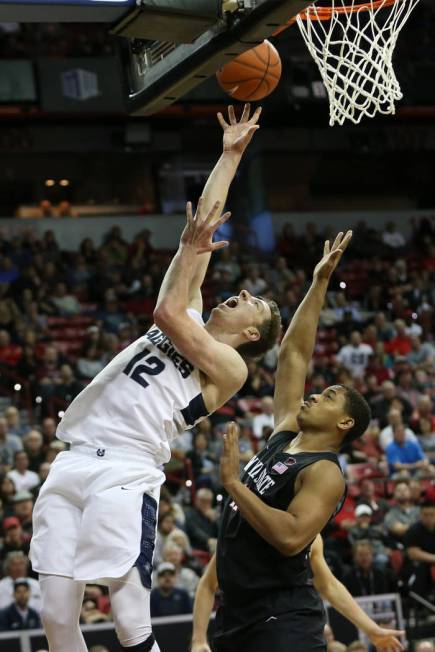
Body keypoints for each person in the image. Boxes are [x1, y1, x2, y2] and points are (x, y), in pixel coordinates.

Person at [30, 105, 281, 652]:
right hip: (72, 457)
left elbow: (165, 310)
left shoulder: (230, 366)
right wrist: (230, 154)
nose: (239, 295)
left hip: (126, 467)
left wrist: (191, 251)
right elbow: (202, 224)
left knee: (128, 621)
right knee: (53, 616)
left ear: (252, 336)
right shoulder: (191, 307)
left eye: (251, 304)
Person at [213, 231, 376, 652]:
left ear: (343, 423)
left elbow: (290, 537)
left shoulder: (324, 472)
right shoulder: (288, 431)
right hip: (236, 611)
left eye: (327, 397)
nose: (313, 394)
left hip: (282, 617)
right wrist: (319, 282)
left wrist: (234, 485)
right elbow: (294, 356)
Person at [191, 535, 403, 652]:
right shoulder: (244, 530)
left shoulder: (310, 534)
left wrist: (371, 629)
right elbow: (208, 584)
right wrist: (199, 640)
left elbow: (328, 584)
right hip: (241, 623)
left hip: (289, 621)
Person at [404, 500, 435, 596]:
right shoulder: (414, 530)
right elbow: (413, 554)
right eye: (426, 515)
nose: (429, 518)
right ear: (420, 515)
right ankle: (419, 604)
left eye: (432, 514)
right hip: (417, 564)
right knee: (420, 567)